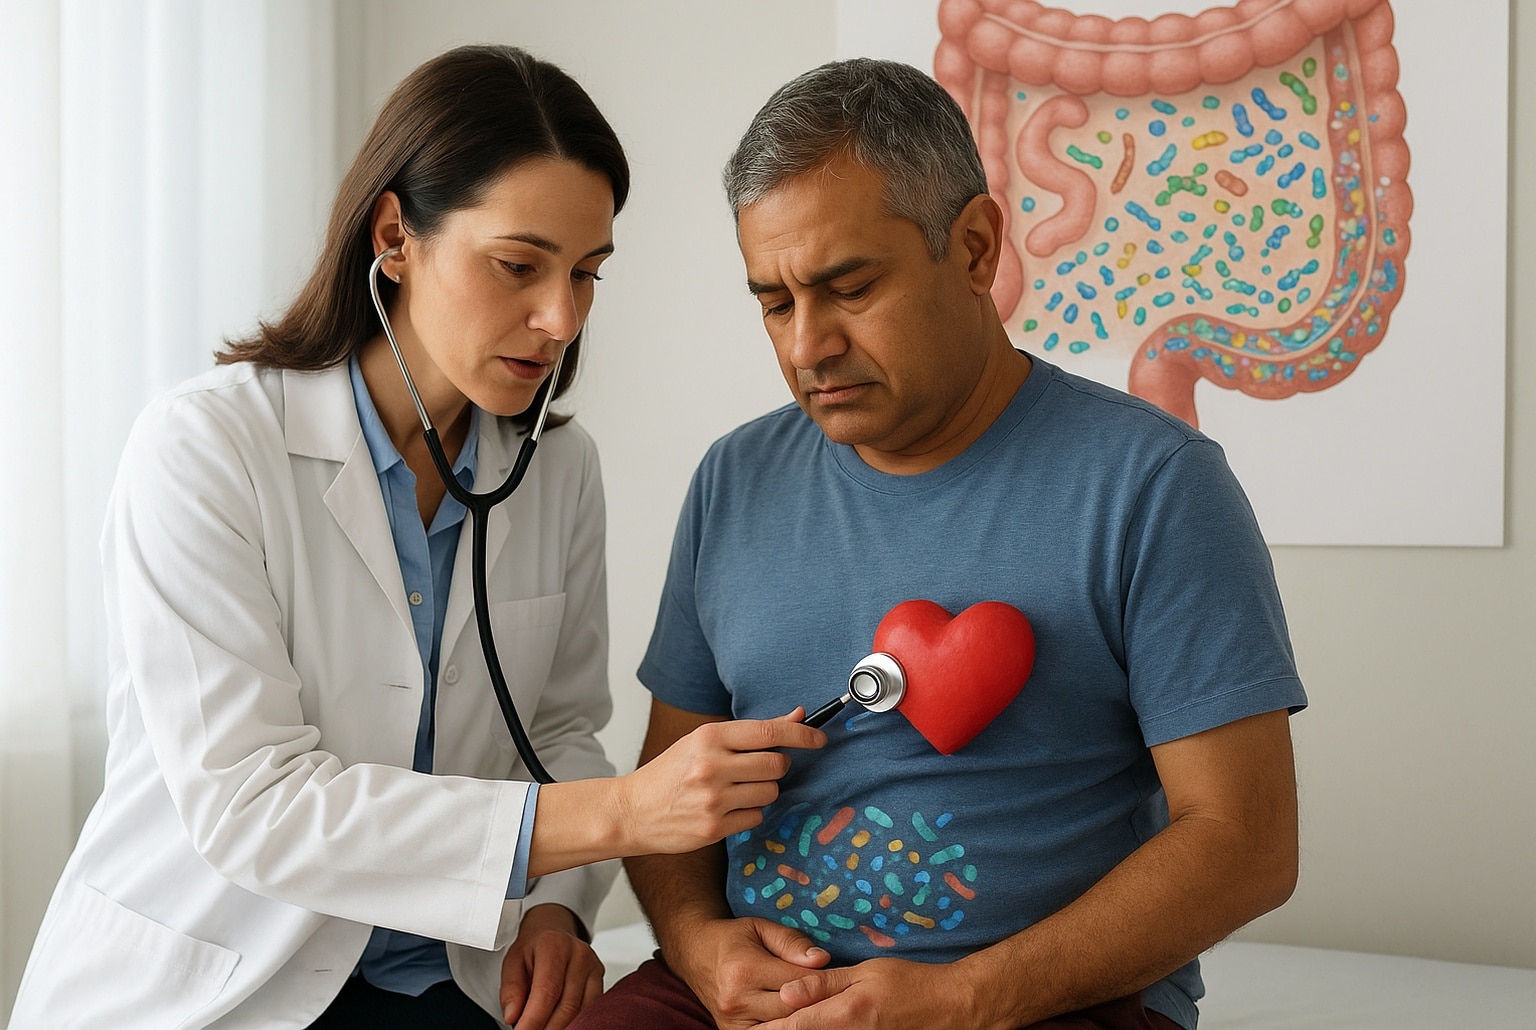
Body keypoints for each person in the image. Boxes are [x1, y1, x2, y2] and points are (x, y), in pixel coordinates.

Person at [10, 45, 823, 1030]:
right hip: (216, 985)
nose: (560, 317)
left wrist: (559, 911)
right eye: (518, 265)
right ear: (396, 237)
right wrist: (624, 813)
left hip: (444, 980)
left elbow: (559, 729)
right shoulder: (206, 449)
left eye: (586, 273)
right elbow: (254, 807)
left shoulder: (558, 469)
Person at [573, 58, 1306, 1030]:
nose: (806, 346)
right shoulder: (733, 480)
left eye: (848, 288)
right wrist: (698, 944)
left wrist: (965, 998)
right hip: (746, 993)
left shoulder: (1154, 484)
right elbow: (669, 781)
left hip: (1038, 1003)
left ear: (974, 249)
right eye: (775, 303)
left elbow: (1246, 842)